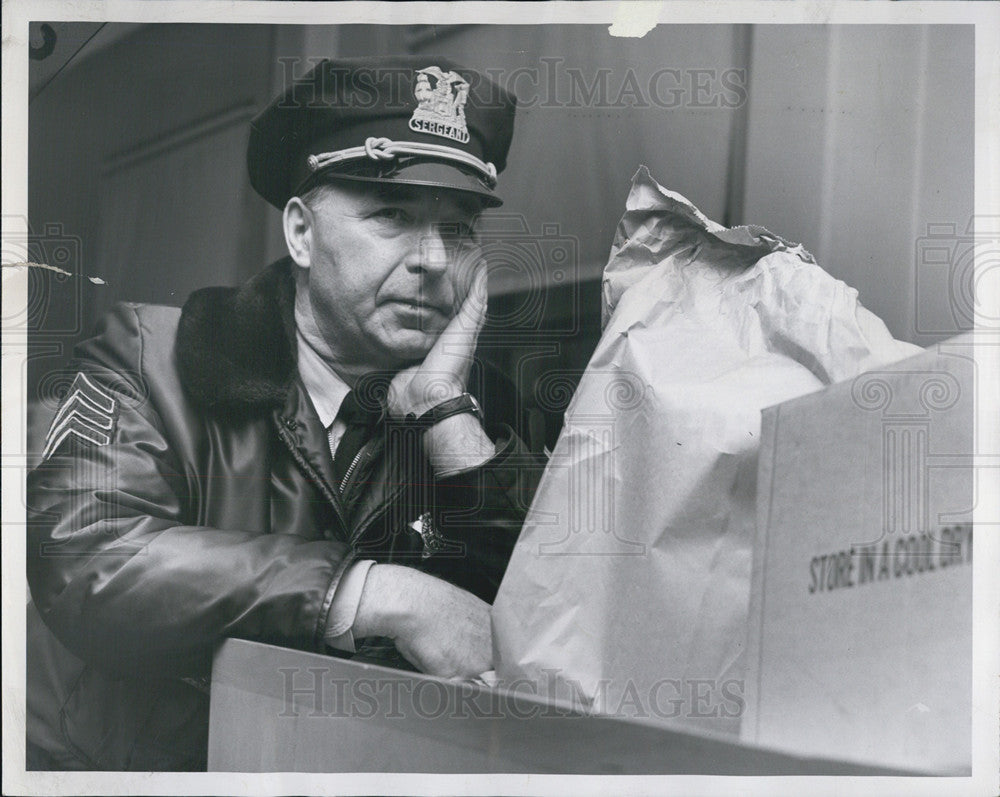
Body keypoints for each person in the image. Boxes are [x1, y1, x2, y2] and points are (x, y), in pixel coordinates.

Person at [26, 55, 544, 771]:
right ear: (300, 233)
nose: (433, 259)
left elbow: (541, 635)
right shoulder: (149, 354)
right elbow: (84, 557)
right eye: (391, 215)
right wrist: (369, 591)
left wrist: (445, 415)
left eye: (458, 231)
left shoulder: (466, 418)